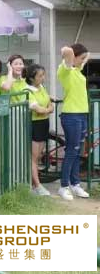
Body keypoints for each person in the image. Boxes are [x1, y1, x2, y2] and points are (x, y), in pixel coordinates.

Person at [57, 44, 91, 201]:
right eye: (81, 58)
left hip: (82, 115)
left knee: (78, 152)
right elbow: (67, 51)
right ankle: (63, 186)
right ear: (73, 57)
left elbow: (83, 57)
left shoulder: (78, 71)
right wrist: (69, 52)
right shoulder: (65, 70)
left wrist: (84, 56)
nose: (84, 61)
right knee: (72, 151)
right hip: (71, 115)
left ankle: (75, 184)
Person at [25, 63, 53, 196]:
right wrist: (47, 110)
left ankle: (32, 183)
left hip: (44, 123)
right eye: (40, 76)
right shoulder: (27, 90)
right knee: (34, 158)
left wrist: (46, 109)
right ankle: (37, 185)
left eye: (43, 75)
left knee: (39, 156)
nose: (43, 78)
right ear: (32, 78)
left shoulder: (42, 87)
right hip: (35, 124)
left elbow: (49, 104)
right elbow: (38, 109)